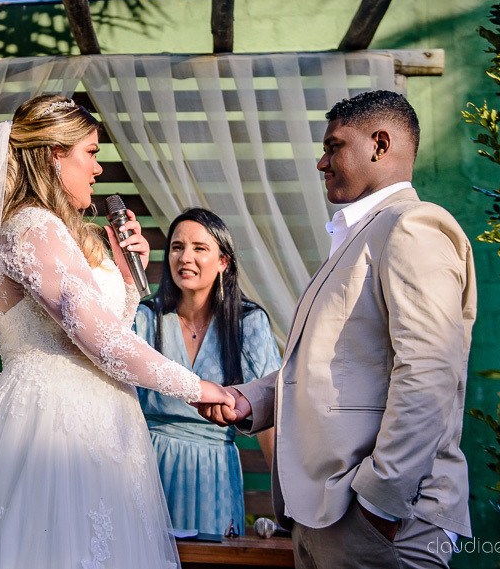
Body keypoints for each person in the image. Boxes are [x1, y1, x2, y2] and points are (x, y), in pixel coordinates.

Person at [0, 94, 232, 569]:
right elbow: (97, 339)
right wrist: (194, 388)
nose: (98, 170)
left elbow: (106, 329)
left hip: (103, 427)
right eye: (91, 154)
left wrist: (125, 272)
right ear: (55, 154)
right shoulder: (31, 226)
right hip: (52, 428)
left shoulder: (63, 230)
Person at [198, 90, 477, 569]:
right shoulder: (361, 235)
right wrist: (251, 400)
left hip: (380, 521)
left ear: (380, 145)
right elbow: (331, 365)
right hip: (330, 516)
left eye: (334, 146)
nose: (321, 162)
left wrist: (380, 504)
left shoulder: (413, 227)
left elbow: (429, 372)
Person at [133, 208, 281, 536]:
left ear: (223, 262)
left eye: (200, 248)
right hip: (148, 468)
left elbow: (272, 414)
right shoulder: (145, 317)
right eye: (177, 247)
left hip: (215, 472)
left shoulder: (249, 322)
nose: (186, 257)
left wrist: (288, 503)